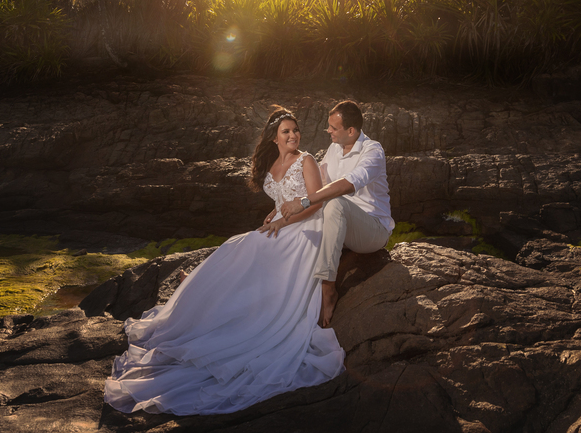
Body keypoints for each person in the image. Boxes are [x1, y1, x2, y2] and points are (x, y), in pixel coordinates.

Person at [104, 107, 345, 416]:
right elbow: (283, 199)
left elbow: (315, 203)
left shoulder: (306, 160)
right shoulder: (272, 164)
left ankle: (217, 296)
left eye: (295, 130)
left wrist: (282, 223)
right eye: (286, 131)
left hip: (307, 231)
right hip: (286, 224)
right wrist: (275, 212)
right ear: (274, 137)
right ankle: (203, 293)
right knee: (240, 245)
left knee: (250, 244)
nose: (293, 135)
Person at [276, 100, 393, 327]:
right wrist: (280, 209)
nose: (327, 130)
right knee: (295, 229)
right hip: (339, 224)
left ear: (351, 131)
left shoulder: (373, 151)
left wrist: (304, 202)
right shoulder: (334, 148)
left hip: (373, 230)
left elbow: (347, 185)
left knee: (335, 203)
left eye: (333, 127)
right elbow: (318, 182)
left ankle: (328, 288)